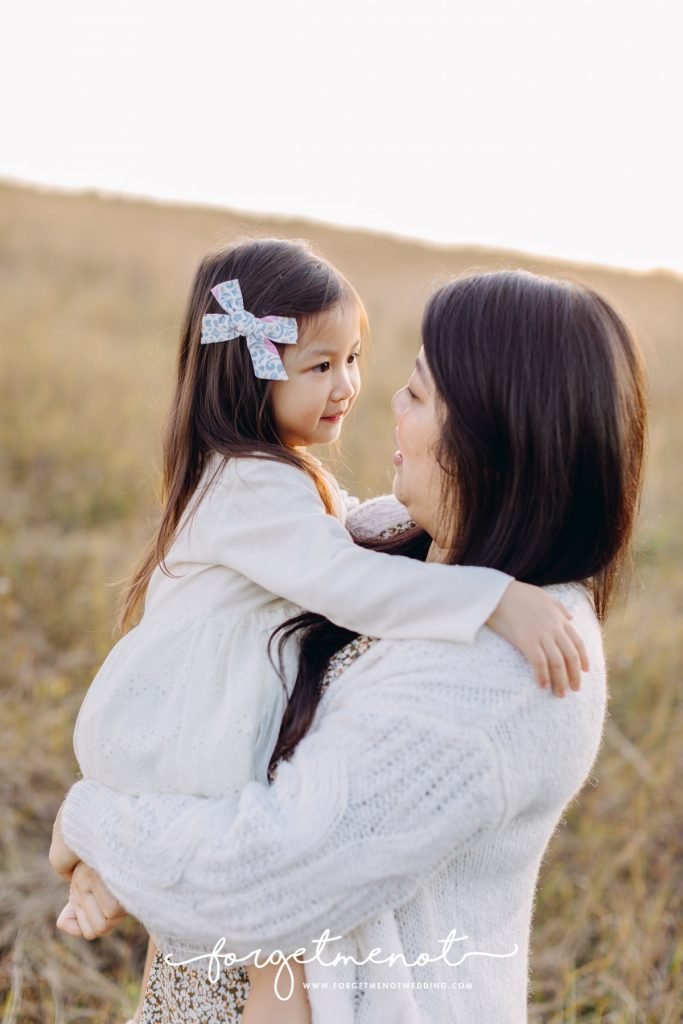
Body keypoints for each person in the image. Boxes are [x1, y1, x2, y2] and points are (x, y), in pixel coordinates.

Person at [56, 244, 585, 1024]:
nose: (351, 388)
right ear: (251, 375)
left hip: (203, 739)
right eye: (319, 366)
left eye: (356, 360)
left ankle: (109, 867)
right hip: (190, 725)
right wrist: (489, 598)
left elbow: (349, 539)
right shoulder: (250, 483)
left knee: (206, 863)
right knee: (200, 841)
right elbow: (348, 578)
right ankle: (106, 865)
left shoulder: (270, 476)